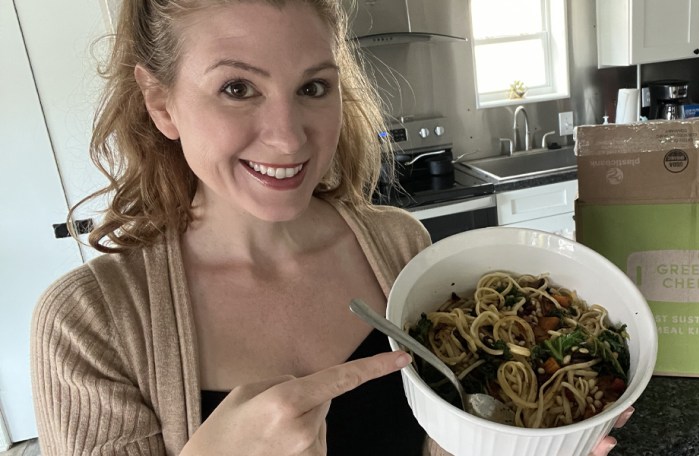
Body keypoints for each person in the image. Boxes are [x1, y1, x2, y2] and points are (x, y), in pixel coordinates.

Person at [30, 1, 632, 455]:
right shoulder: (90, 327)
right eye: (237, 88)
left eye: (313, 87)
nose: (290, 137)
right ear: (161, 104)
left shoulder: (401, 248)